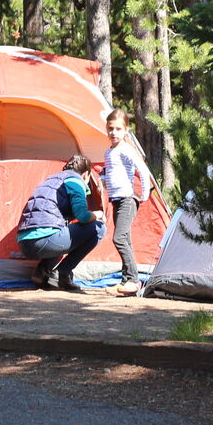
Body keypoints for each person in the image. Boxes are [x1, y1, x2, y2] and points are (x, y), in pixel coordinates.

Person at [17, 153, 101, 292]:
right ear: (86, 174)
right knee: (98, 228)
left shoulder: (51, 180)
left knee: (61, 229)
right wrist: (97, 214)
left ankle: (41, 273)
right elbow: (83, 216)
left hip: (24, 243)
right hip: (44, 240)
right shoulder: (75, 180)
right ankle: (62, 274)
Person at [102, 108, 148, 296]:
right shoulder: (108, 151)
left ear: (126, 130)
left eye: (119, 129)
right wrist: (103, 180)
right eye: (111, 128)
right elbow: (111, 172)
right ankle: (126, 280)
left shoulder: (126, 149)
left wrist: (144, 195)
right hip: (116, 200)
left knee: (119, 238)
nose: (114, 132)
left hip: (128, 199)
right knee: (125, 240)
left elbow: (143, 171)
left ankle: (134, 281)